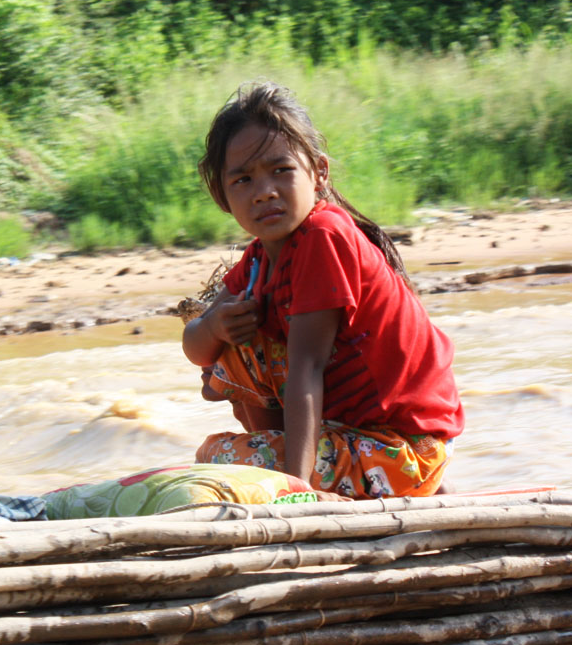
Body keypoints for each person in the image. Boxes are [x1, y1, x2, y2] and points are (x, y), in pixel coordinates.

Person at [182, 81, 463, 499]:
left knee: (215, 458)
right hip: (360, 442)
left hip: (403, 451)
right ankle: (321, 476)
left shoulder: (323, 236)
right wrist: (216, 327)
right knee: (235, 341)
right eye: (243, 179)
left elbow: (306, 369)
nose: (265, 192)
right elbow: (196, 348)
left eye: (282, 170)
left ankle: (315, 482)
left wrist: (295, 492)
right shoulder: (259, 260)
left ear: (319, 173)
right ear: (222, 195)